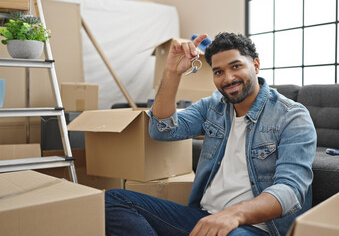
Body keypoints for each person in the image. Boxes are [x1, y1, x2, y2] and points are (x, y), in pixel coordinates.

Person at [105, 32, 316, 236]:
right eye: (218, 72)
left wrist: (233, 215)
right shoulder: (213, 106)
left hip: (255, 228)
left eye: (236, 66)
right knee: (113, 200)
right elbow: (161, 130)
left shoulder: (291, 116)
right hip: (202, 218)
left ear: (256, 65)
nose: (228, 78)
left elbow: (290, 191)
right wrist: (172, 72)